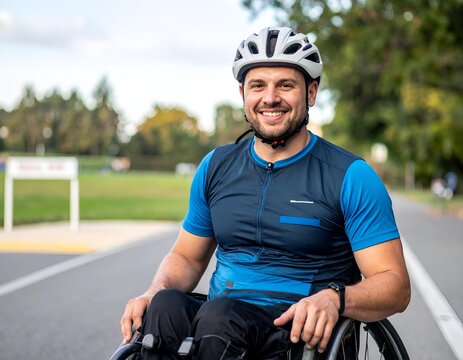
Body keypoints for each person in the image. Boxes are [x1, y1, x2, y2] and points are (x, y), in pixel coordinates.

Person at [120, 26, 411, 359]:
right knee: (166, 305)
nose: (270, 98)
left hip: (298, 332)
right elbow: (186, 257)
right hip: (220, 325)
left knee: (219, 317)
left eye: (285, 85)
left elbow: (395, 286)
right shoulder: (216, 166)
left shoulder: (350, 176)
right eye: (258, 85)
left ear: (311, 93)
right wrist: (153, 290)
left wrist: (336, 298)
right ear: (244, 93)